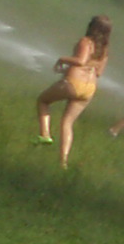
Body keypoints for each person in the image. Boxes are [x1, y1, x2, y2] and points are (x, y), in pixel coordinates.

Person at [33, 13, 110, 167]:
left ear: (92, 27)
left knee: (43, 100)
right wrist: (67, 70)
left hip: (73, 83)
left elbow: (80, 61)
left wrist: (62, 59)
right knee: (67, 122)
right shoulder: (104, 50)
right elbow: (99, 72)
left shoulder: (86, 42)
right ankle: (63, 162)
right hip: (90, 88)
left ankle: (45, 134)